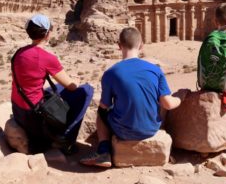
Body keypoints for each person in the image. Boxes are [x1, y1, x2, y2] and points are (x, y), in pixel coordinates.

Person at [80, 27, 182, 168]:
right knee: (158, 101)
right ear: (141, 45)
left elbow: (104, 106)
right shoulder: (155, 70)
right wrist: (180, 99)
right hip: (151, 129)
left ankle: (103, 151)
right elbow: (168, 104)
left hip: (123, 132)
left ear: (119, 46)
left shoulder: (111, 73)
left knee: (101, 112)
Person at [11, 14, 93, 154]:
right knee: (87, 90)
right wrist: (76, 81)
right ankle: (66, 138)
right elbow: (71, 86)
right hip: (35, 119)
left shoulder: (19, 53)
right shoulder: (47, 58)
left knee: (54, 88)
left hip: (18, 112)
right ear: (47, 34)